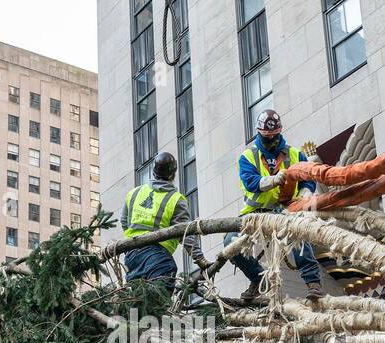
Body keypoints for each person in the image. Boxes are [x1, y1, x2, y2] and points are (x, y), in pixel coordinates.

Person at [225, 108, 325, 302]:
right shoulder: (248, 156)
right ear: (259, 133)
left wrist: (305, 191)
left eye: (274, 136)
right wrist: (272, 180)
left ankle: (313, 282)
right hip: (256, 212)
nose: (271, 141)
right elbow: (250, 182)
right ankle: (258, 279)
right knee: (230, 242)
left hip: (287, 208)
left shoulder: (296, 154)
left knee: (298, 235)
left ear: (279, 132)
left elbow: (308, 177)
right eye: (267, 137)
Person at [120, 151, 206, 291]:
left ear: (153, 172)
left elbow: (124, 221)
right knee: (166, 274)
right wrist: (200, 259)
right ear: (173, 174)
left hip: (131, 255)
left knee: (140, 294)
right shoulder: (176, 199)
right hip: (156, 254)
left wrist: (135, 240)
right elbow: (185, 234)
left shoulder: (134, 193)